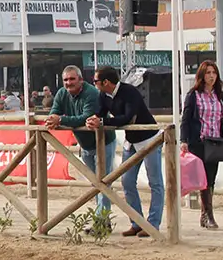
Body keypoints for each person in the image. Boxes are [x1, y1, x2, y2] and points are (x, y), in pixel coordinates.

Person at [89, 66, 161, 237]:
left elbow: (127, 117)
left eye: (95, 81)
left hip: (149, 139)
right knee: (127, 181)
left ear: (106, 82)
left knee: (155, 183)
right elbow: (100, 113)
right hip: (131, 140)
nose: (94, 84)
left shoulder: (130, 92)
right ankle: (136, 222)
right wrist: (92, 119)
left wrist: (102, 121)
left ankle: (153, 224)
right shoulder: (104, 94)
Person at [47, 65, 113, 217]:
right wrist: (52, 119)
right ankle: (101, 218)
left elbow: (86, 118)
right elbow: (54, 112)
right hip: (84, 144)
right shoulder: (62, 93)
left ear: (81, 80)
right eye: (66, 80)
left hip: (103, 142)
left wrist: (61, 119)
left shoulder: (92, 93)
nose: (69, 82)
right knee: (94, 183)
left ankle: (102, 220)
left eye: (72, 79)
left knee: (103, 182)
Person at [181, 60, 223, 229]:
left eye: (214, 73)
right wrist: (184, 140)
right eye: (208, 73)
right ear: (202, 75)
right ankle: (209, 216)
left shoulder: (220, 95)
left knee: (211, 179)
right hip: (199, 141)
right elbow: (186, 119)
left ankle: (205, 214)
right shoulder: (194, 95)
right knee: (203, 178)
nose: (211, 76)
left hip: (216, 141)